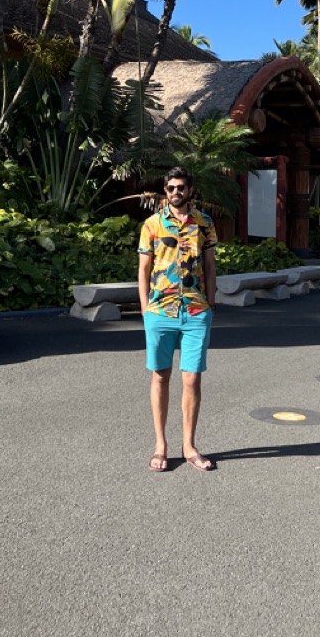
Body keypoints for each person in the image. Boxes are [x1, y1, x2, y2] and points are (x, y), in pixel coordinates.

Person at [138, 166, 217, 473]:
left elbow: (210, 267)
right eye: (170, 188)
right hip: (160, 311)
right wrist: (145, 310)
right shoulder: (152, 224)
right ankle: (161, 445)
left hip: (196, 311)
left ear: (190, 190)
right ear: (165, 191)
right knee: (160, 376)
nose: (175, 192)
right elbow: (143, 270)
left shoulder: (204, 223)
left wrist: (211, 302)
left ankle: (189, 445)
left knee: (192, 378)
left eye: (181, 187)